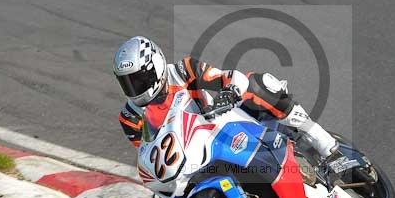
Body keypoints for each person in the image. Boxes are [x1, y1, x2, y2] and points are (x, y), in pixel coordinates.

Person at [113, 36, 349, 170]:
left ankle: (324, 143)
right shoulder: (130, 118)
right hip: (193, 158)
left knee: (258, 84)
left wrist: (231, 91)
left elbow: (223, 76)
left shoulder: (184, 71)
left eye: (140, 79)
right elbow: (151, 156)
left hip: (226, 123)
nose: (136, 87)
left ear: (156, 65)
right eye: (129, 82)